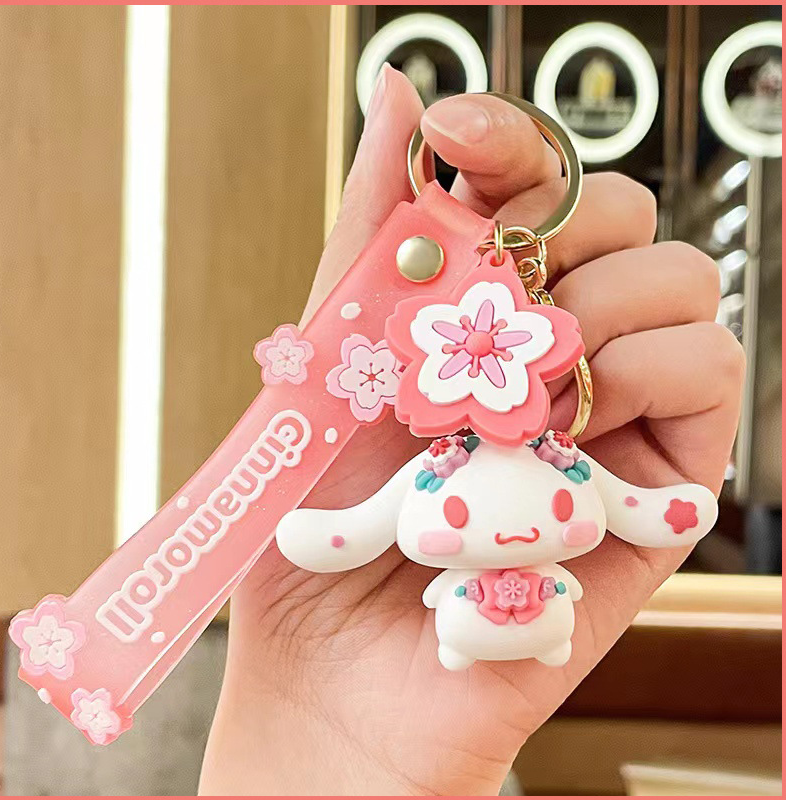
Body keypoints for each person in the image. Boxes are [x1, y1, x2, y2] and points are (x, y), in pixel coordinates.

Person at [199, 66, 744, 796]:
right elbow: (369, 520)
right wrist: (319, 730)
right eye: (455, 517)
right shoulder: (440, 467)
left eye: (561, 506)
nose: (517, 532)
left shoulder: (533, 461)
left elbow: (621, 502)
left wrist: (657, 508)